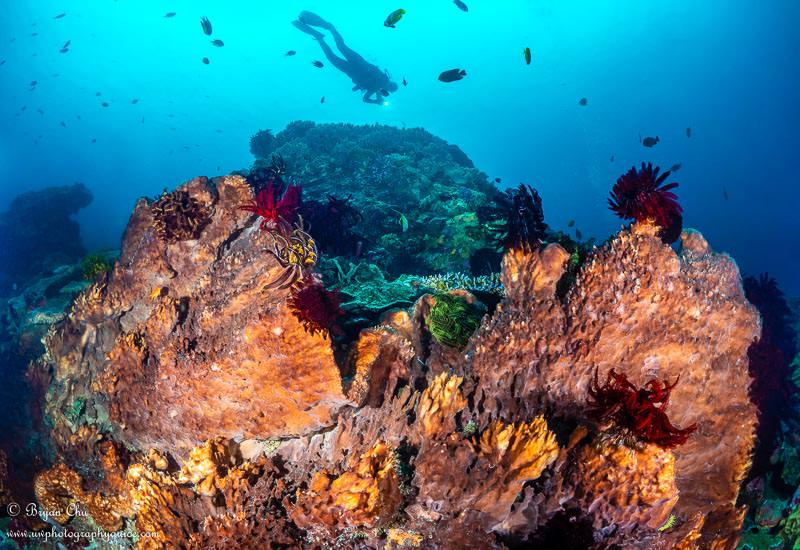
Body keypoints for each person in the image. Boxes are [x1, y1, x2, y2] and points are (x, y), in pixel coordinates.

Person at [292, 10, 399, 104]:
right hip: (358, 65)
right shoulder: (378, 84)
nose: (388, 86)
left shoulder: (376, 87)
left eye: (389, 87)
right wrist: (376, 100)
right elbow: (366, 99)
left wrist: (377, 100)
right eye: (390, 86)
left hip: (354, 69)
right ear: (389, 86)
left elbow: (365, 99)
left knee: (336, 52)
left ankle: (323, 35)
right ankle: (328, 30)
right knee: (338, 51)